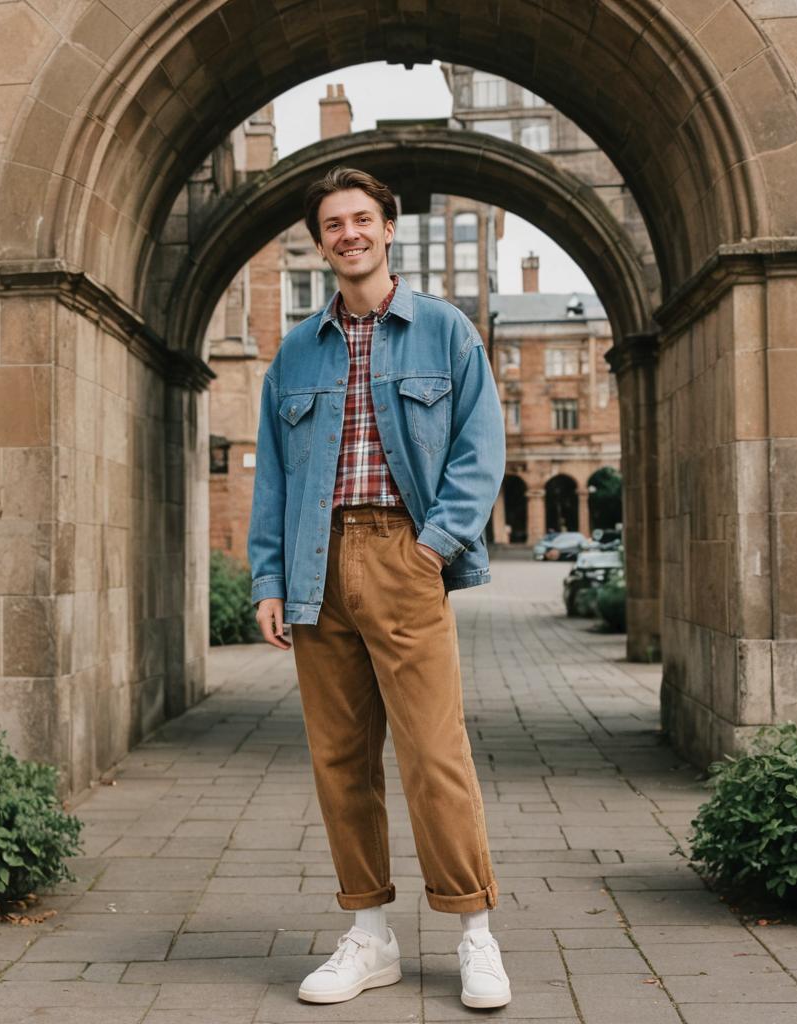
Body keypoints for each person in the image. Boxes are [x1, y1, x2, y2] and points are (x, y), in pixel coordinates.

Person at [247, 167, 509, 1009]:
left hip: (404, 555)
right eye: (333, 224)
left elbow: (480, 448)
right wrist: (269, 579)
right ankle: (369, 935)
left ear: (388, 228)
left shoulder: (444, 332)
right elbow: (276, 483)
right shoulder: (293, 353)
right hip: (314, 563)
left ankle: (475, 932)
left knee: (435, 755)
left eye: (363, 219)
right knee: (340, 762)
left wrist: (433, 547)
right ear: (320, 242)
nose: (349, 234)